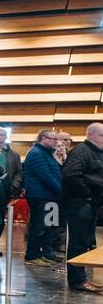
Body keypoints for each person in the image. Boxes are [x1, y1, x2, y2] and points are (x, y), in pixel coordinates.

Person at [62, 122, 103, 293]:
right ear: (90, 134)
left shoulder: (96, 152)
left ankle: (81, 278)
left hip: (90, 203)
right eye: (102, 135)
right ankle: (77, 281)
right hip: (80, 203)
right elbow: (70, 175)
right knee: (78, 242)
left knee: (85, 241)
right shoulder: (81, 151)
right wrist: (87, 194)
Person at [23, 128, 63, 267]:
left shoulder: (47, 153)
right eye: (53, 139)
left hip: (50, 196)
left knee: (50, 226)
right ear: (43, 138)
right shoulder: (36, 153)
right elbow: (45, 176)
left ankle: (47, 253)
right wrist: (61, 191)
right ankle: (32, 255)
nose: (56, 142)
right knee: (39, 226)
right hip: (40, 195)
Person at [0, 127, 23, 198]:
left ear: (5, 137)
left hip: (7, 190)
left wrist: (14, 186)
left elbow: (19, 173)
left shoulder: (14, 155)